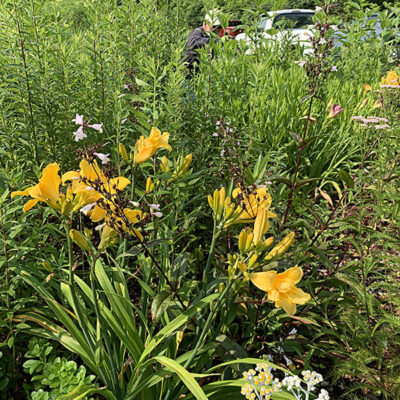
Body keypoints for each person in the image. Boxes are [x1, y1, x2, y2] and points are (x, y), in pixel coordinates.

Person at [182, 9, 223, 77]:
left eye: (220, 27)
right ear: (205, 23)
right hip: (188, 74)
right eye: (214, 26)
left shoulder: (212, 37)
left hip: (203, 76)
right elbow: (195, 42)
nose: (217, 29)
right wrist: (217, 41)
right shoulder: (197, 33)